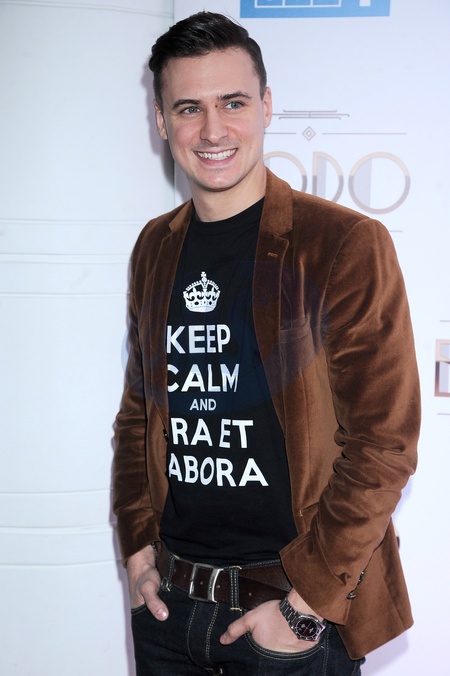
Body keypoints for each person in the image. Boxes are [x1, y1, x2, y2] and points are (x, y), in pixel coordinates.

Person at [113, 11, 420, 675]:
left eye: (234, 103)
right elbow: (139, 415)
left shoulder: (340, 244)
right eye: (189, 108)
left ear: (267, 105)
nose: (213, 130)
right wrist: (137, 552)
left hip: (288, 619)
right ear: (161, 121)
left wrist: (305, 604)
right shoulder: (155, 247)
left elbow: (384, 442)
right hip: (169, 611)